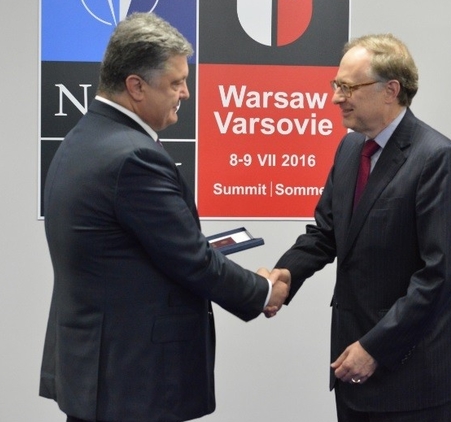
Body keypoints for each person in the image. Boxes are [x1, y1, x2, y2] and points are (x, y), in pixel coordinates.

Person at [39, 13, 289, 422]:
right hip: (131, 381)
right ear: (136, 86)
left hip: (100, 372)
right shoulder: (133, 157)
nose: (185, 93)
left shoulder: (84, 138)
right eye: (176, 83)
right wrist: (261, 291)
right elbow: (191, 259)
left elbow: (144, 248)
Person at [269, 33, 451, 421]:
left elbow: (438, 276)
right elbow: (326, 232)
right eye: (336, 85)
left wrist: (376, 347)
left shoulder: (434, 157)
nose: (336, 97)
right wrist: (287, 274)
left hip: (411, 374)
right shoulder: (350, 149)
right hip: (352, 366)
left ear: (390, 90)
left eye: (348, 87)